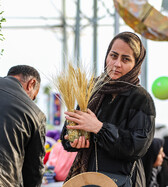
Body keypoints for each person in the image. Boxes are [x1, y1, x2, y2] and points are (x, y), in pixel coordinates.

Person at [61, 32, 155, 186]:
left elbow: (138, 147)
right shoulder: (92, 90)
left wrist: (99, 128)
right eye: (113, 56)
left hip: (124, 181)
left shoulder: (141, 98)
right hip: (89, 180)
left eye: (126, 59)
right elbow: (69, 130)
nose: (117, 64)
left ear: (136, 64)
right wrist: (73, 139)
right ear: (107, 56)